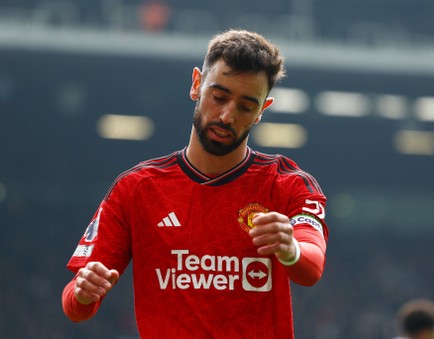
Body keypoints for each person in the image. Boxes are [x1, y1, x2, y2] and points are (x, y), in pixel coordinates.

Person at [62, 29, 329, 338]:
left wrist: (290, 249)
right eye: (219, 97)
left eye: (245, 106)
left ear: (261, 112)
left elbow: (311, 267)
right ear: (196, 84)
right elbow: (75, 305)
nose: (227, 116)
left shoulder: (288, 184)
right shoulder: (137, 188)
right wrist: (83, 293)